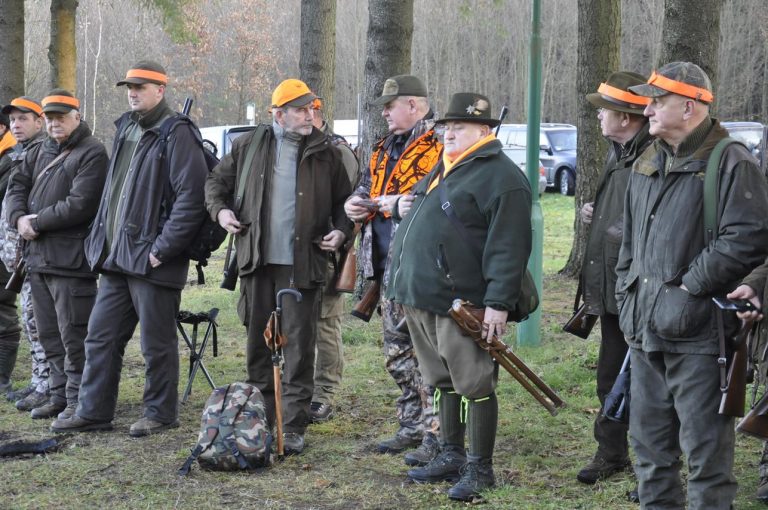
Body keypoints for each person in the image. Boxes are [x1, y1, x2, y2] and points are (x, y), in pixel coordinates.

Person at [615, 62, 768, 509]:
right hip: (644, 332)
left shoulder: (730, 159)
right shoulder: (647, 159)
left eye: (657, 101)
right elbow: (630, 240)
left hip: (701, 337)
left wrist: (687, 289)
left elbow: (746, 239)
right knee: (650, 454)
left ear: (689, 106)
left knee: (706, 461)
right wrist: (630, 293)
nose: (647, 110)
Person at [50, 61, 208, 437]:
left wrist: (163, 249)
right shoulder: (127, 128)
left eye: (141, 86)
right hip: (118, 256)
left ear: (160, 90)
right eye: (129, 87)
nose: (133, 92)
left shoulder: (176, 132)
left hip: (154, 260)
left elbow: (192, 197)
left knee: (156, 344)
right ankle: (94, 411)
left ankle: (160, 413)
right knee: (100, 336)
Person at [388, 92, 533, 502]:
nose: (448, 133)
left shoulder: (501, 177)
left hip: (461, 301)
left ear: (484, 131)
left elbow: (509, 247)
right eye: (446, 127)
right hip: (422, 296)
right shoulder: (448, 165)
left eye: (459, 127)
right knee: (439, 379)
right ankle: (449, 453)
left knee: (475, 383)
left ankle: (479, 468)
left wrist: (499, 303)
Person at [205, 78, 352, 455]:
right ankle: (259, 420)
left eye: (311, 109)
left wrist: (339, 231)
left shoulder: (327, 152)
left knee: (300, 348)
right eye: (301, 110)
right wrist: (221, 212)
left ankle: (292, 425)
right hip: (257, 262)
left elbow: (345, 204)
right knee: (258, 345)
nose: (309, 115)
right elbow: (215, 185)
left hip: (303, 266)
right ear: (279, 114)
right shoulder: (247, 145)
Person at [345, 74, 441, 465]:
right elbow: (367, 188)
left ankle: (438, 435)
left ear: (414, 105)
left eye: (390, 105)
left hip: (421, 268)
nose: (383, 112)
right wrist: (355, 203)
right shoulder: (383, 148)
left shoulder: (440, 145)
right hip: (383, 266)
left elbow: (428, 200)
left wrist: (382, 204)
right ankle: (411, 424)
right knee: (397, 355)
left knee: (429, 357)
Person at [5, 89, 108, 420]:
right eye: (49, 118)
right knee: (50, 335)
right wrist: (18, 218)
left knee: (74, 335)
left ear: (77, 117)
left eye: (61, 117)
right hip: (37, 259)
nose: (54, 123)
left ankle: (79, 400)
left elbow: (81, 204)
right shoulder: (41, 150)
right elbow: (18, 185)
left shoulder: (92, 152)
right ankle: (58, 394)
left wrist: (36, 221)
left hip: (70, 261)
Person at [576, 72, 653, 485]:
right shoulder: (620, 152)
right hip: (613, 289)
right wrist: (598, 210)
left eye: (605, 111)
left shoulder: (651, 157)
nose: (600, 118)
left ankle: (651, 467)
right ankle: (611, 453)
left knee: (643, 382)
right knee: (610, 375)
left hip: (639, 292)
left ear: (625, 116)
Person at [309, 98, 360, 423]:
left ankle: (323, 394)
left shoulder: (337, 151)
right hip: (297, 253)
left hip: (327, 250)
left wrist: (341, 236)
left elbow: (352, 201)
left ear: (313, 113)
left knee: (326, 324)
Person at [0, 97, 49, 410]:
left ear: (39, 121)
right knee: (32, 322)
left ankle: (46, 386)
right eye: (14, 120)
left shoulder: (42, 153)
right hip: (16, 255)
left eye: (23, 119)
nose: (17, 125)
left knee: (40, 324)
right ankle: (38, 383)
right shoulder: (19, 155)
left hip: (34, 254)